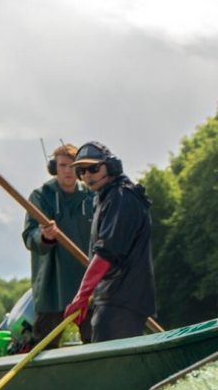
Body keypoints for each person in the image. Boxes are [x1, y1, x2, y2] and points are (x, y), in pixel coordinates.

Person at [63, 141, 157, 342]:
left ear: (112, 166)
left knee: (110, 363)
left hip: (123, 298)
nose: (87, 175)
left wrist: (81, 295)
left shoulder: (121, 197)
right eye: (82, 171)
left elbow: (107, 252)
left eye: (94, 168)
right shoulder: (105, 197)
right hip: (111, 296)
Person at [22, 143, 95, 347]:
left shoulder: (91, 196)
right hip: (52, 285)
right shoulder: (40, 196)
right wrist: (45, 236)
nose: (68, 171)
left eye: (73, 166)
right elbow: (30, 236)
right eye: (63, 165)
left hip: (87, 284)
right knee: (44, 344)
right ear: (55, 167)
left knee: (97, 339)